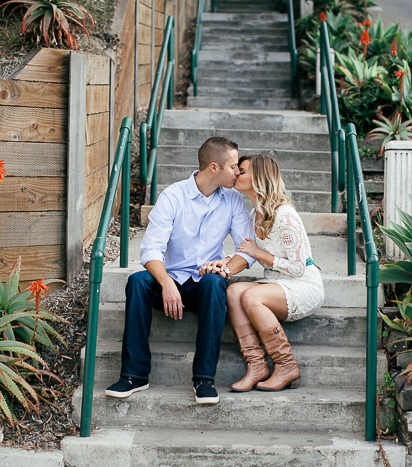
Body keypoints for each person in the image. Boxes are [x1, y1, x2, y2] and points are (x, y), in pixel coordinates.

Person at [105, 137, 256, 405]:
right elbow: (151, 249)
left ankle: (204, 379)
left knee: (215, 283)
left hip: (204, 287)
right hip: (171, 281)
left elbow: (247, 249)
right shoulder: (173, 196)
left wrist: (226, 266)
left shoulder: (233, 201)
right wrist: (166, 283)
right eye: (233, 167)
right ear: (214, 167)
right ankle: (134, 375)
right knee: (137, 282)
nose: (238, 172)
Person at [202, 154, 324, 392]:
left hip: (303, 285)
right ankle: (256, 364)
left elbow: (299, 267)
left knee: (251, 297)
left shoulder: (284, 215)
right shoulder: (254, 214)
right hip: (277, 282)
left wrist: (258, 253)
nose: (237, 174)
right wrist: (220, 263)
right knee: (234, 291)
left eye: (243, 171)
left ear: (259, 178)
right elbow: (243, 251)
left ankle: (286, 365)